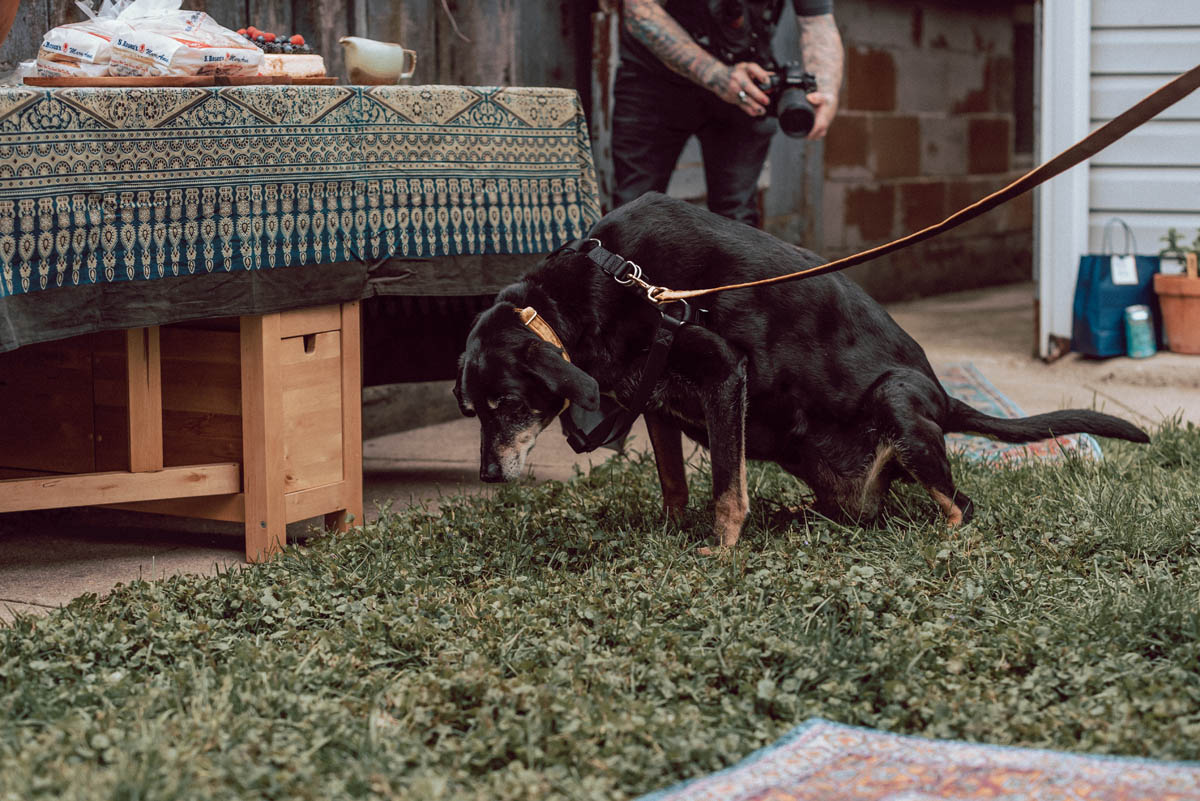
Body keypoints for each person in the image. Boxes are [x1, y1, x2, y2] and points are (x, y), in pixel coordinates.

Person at [612, 0, 844, 227]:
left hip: (746, 82)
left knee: (738, 220)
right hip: (654, 82)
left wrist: (823, 91)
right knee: (634, 211)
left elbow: (816, 22)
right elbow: (640, 9)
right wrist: (717, 75)